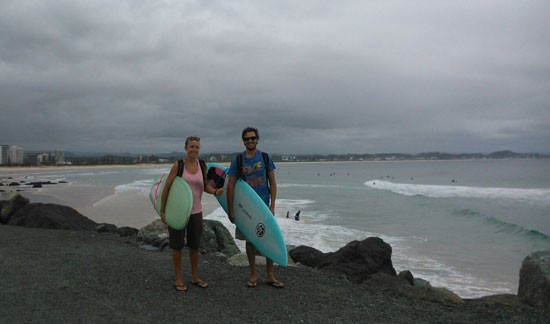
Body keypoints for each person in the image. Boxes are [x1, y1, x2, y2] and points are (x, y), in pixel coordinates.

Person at [160, 136, 224, 292]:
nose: (194, 150)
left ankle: (195, 277)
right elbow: (167, 188)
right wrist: (163, 210)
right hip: (178, 212)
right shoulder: (178, 166)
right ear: (186, 148)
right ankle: (178, 278)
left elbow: (205, 187)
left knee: (195, 246)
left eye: (197, 147)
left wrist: (215, 191)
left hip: (196, 212)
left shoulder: (202, 165)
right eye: (192, 147)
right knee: (177, 246)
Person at [227, 127, 284, 289]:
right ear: (243, 141)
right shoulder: (238, 160)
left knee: (269, 238)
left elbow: (272, 182)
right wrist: (231, 210)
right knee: (250, 242)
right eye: (247, 139)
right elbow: (231, 186)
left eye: (253, 138)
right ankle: (253, 274)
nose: (250, 141)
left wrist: (272, 206)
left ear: (257, 140)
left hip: (264, 207)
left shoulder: (265, 158)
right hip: (248, 208)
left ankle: (269, 274)